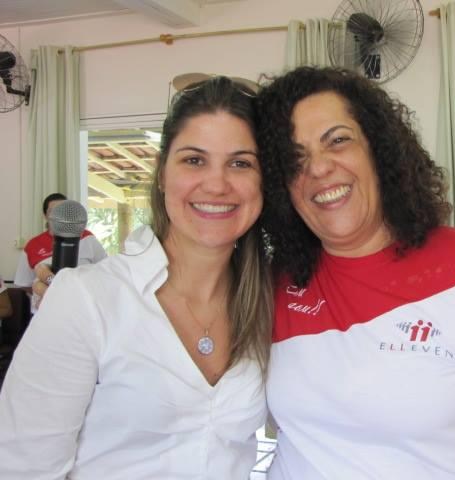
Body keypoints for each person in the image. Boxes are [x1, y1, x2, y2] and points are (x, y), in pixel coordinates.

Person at [256, 67, 455, 480]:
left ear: (379, 149)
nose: (317, 168)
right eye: (294, 157)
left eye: (337, 140)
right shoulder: (272, 284)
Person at [0, 76, 272, 479]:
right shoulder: (86, 299)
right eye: (194, 160)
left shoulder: (270, 303)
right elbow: (23, 468)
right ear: (161, 174)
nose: (217, 184)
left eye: (241, 163)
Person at [14, 192, 107, 312]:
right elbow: (24, 283)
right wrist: (47, 290)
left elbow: (105, 270)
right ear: (45, 216)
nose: (58, 215)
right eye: (53, 211)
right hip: (45, 310)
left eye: (62, 211)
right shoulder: (32, 245)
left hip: (82, 307)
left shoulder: (87, 238)